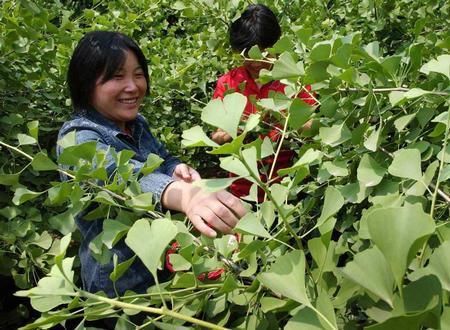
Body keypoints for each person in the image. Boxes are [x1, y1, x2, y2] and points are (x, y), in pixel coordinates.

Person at [57, 31, 247, 297]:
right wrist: (186, 195)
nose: (133, 86)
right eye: (116, 76)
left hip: (164, 271)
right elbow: (121, 176)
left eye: (138, 74)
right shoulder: (76, 139)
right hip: (121, 290)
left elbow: (161, 158)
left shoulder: (137, 124)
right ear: (86, 83)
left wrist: (176, 169)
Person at [211, 4, 316, 200]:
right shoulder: (228, 83)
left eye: (263, 52)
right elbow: (215, 136)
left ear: (276, 44)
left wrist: (285, 123)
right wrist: (231, 134)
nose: (256, 61)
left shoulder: (295, 78)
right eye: (247, 54)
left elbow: (313, 128)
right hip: (242, 190)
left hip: (290, 189)